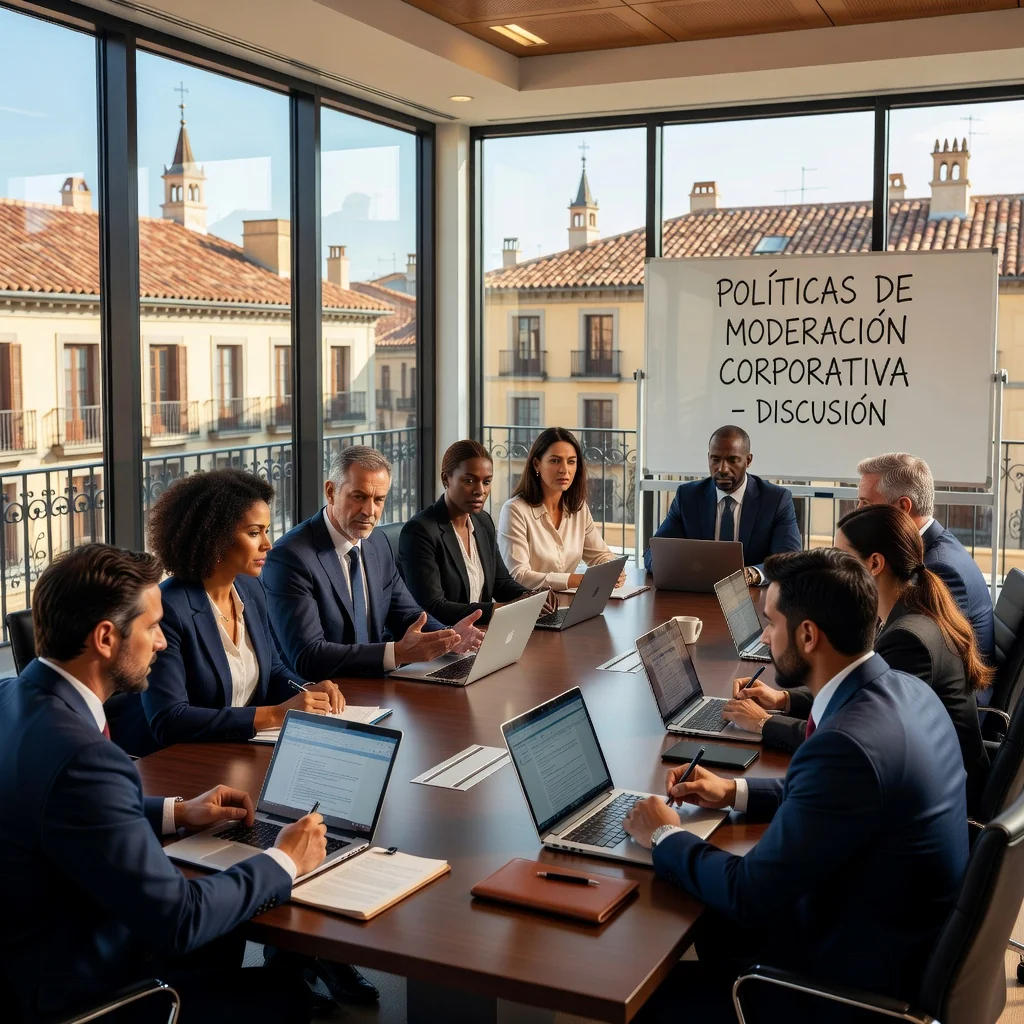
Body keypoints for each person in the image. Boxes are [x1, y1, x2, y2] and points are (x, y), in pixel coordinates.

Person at [623, 548, 968, 1024]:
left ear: (808, 635)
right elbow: (835, 800)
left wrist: (664, 834)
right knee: (703, 921)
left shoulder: (846, 746)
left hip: (846, 987)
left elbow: (749, 893)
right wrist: (732, 792)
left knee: (641, 998)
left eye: (770, 622)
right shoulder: (905, 691)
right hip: (900, 934)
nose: (763, 636)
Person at [0, 544, 327, 1024]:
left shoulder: (13, 695)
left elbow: (48, 810)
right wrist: (284, 859)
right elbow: (180, 920)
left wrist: (174, 811)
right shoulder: (86, 759)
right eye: (152, 627)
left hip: (23, 954)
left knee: (225, 931)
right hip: (76, 993)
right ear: (106, 638)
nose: (161, 643)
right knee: (282, 992)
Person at [725, 504, 992, 809]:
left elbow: (851, 734)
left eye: (842, 557)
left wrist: (764, 723)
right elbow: (855, 692)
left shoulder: (908, 639)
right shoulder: (904, 609)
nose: (833, 567)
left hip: (944, 798)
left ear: (875, 564)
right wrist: (784, 699)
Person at [113, 470, 344, 755]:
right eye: (254, 532)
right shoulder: (168, 608)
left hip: (231, 752)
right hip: (166, 765)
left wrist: (308, 691)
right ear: (216, 538)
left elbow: (271, 671)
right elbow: (169, 720)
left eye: (266, 530)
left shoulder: (251, 589)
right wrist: (273, 715)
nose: (267, 544)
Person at [263, 445, 483, 679]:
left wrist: (450, 638)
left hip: (377, 686)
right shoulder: (290, 557)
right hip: (322, 694)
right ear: (330, 491)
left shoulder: (377, 542)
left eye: (379, 499)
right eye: (359, 497)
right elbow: (308, 656)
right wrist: (395, 654)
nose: (370, 511)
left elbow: (408, 616)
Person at [857, 452, 995, 669]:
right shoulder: (924, 549)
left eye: (866, 503)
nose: (858, 512)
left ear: (903, 507)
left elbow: (907, 657)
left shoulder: (939, 568)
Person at [399, 440, 556, 625]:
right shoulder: (420, 531)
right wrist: (504, 609)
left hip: (481, 633)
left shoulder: (483, 522)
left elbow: (501, 582)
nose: (480, 491)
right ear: (445, 479)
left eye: (486, 481)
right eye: (469, 480)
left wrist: (532, 597)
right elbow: (434, 607)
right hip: (444, 637)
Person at [642, 425, 800, 585]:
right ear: (708, 458)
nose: (722, 469)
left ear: (748, 460)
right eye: (715, 459)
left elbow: (789, 560)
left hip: (754, 597)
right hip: (696, 594)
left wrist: (752, 574)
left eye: (732, 460)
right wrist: (677, 569)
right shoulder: (687, 496)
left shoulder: (776, 499)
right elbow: (653, 553)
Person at [497, 426, 626, 592]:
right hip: (529, 607)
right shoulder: (514, 510)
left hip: (566, 603)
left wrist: (613, 569)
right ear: (537, 464)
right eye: (555, 461)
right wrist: (574, 580)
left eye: (571, 462)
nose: (564, 470)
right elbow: (519, 576)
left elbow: (599, 555)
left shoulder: (578, 508)